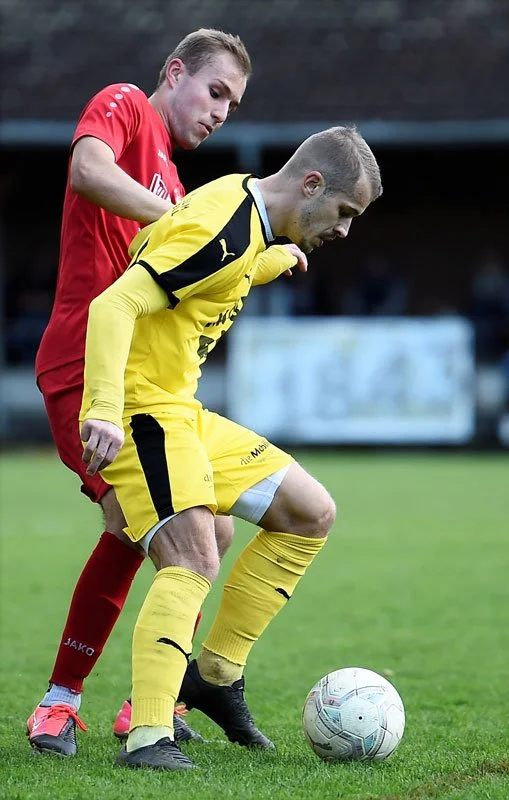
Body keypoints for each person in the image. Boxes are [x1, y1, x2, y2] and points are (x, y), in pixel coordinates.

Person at [79, 125, 382, 770]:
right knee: (193, 555)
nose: (344, 229)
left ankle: (215, 675)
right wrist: (101, 410)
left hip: (180, 411)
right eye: (344, 212)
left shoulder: (245, 213)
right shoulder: (224, 226)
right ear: (311, 184)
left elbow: (218, 266)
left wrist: (272, 261)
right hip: (140, 410)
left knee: (309, 513)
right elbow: (114, 306)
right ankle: (149, 735)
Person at [27, 28, 252, 756]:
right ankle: (94, 703)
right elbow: (87, 171)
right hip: (82, 367)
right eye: (215, 92)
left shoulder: (178, 187)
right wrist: (181, 224)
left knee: (198, 528)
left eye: (232, 105)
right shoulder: (125, 105)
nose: (220, 113)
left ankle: (115, 702)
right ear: (174, 72)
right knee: (160, 525)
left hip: (138, 382)